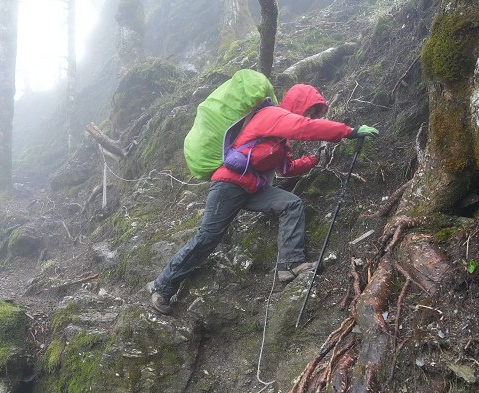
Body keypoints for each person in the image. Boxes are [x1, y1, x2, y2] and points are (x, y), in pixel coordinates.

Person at [146, 83, 378, 315]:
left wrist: (314, 160)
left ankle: (290, 264)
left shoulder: (280, 140)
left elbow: (287, 169)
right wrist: (349, 131)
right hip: (228, 185)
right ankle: (162, 286)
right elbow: (303, 127)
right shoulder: (271, 115)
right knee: (208, 237)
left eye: (315, 115)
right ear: (300, 104)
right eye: (311, 111)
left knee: (291, 204)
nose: (311, 116)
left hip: (252, 190)